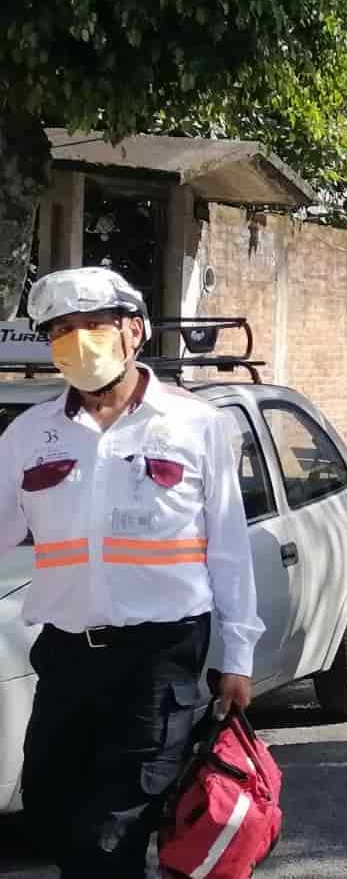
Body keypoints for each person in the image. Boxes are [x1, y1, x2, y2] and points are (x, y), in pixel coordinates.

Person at [0, 266, 261, 877]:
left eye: (94, 325)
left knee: (111, 835)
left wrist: (239, 656)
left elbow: (227, 545)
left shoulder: (194, 424)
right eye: (61, 330)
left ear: (134, 331)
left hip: (158, 661)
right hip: (66, 657)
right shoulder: (29, 435)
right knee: (50, 813)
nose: (78, 340)